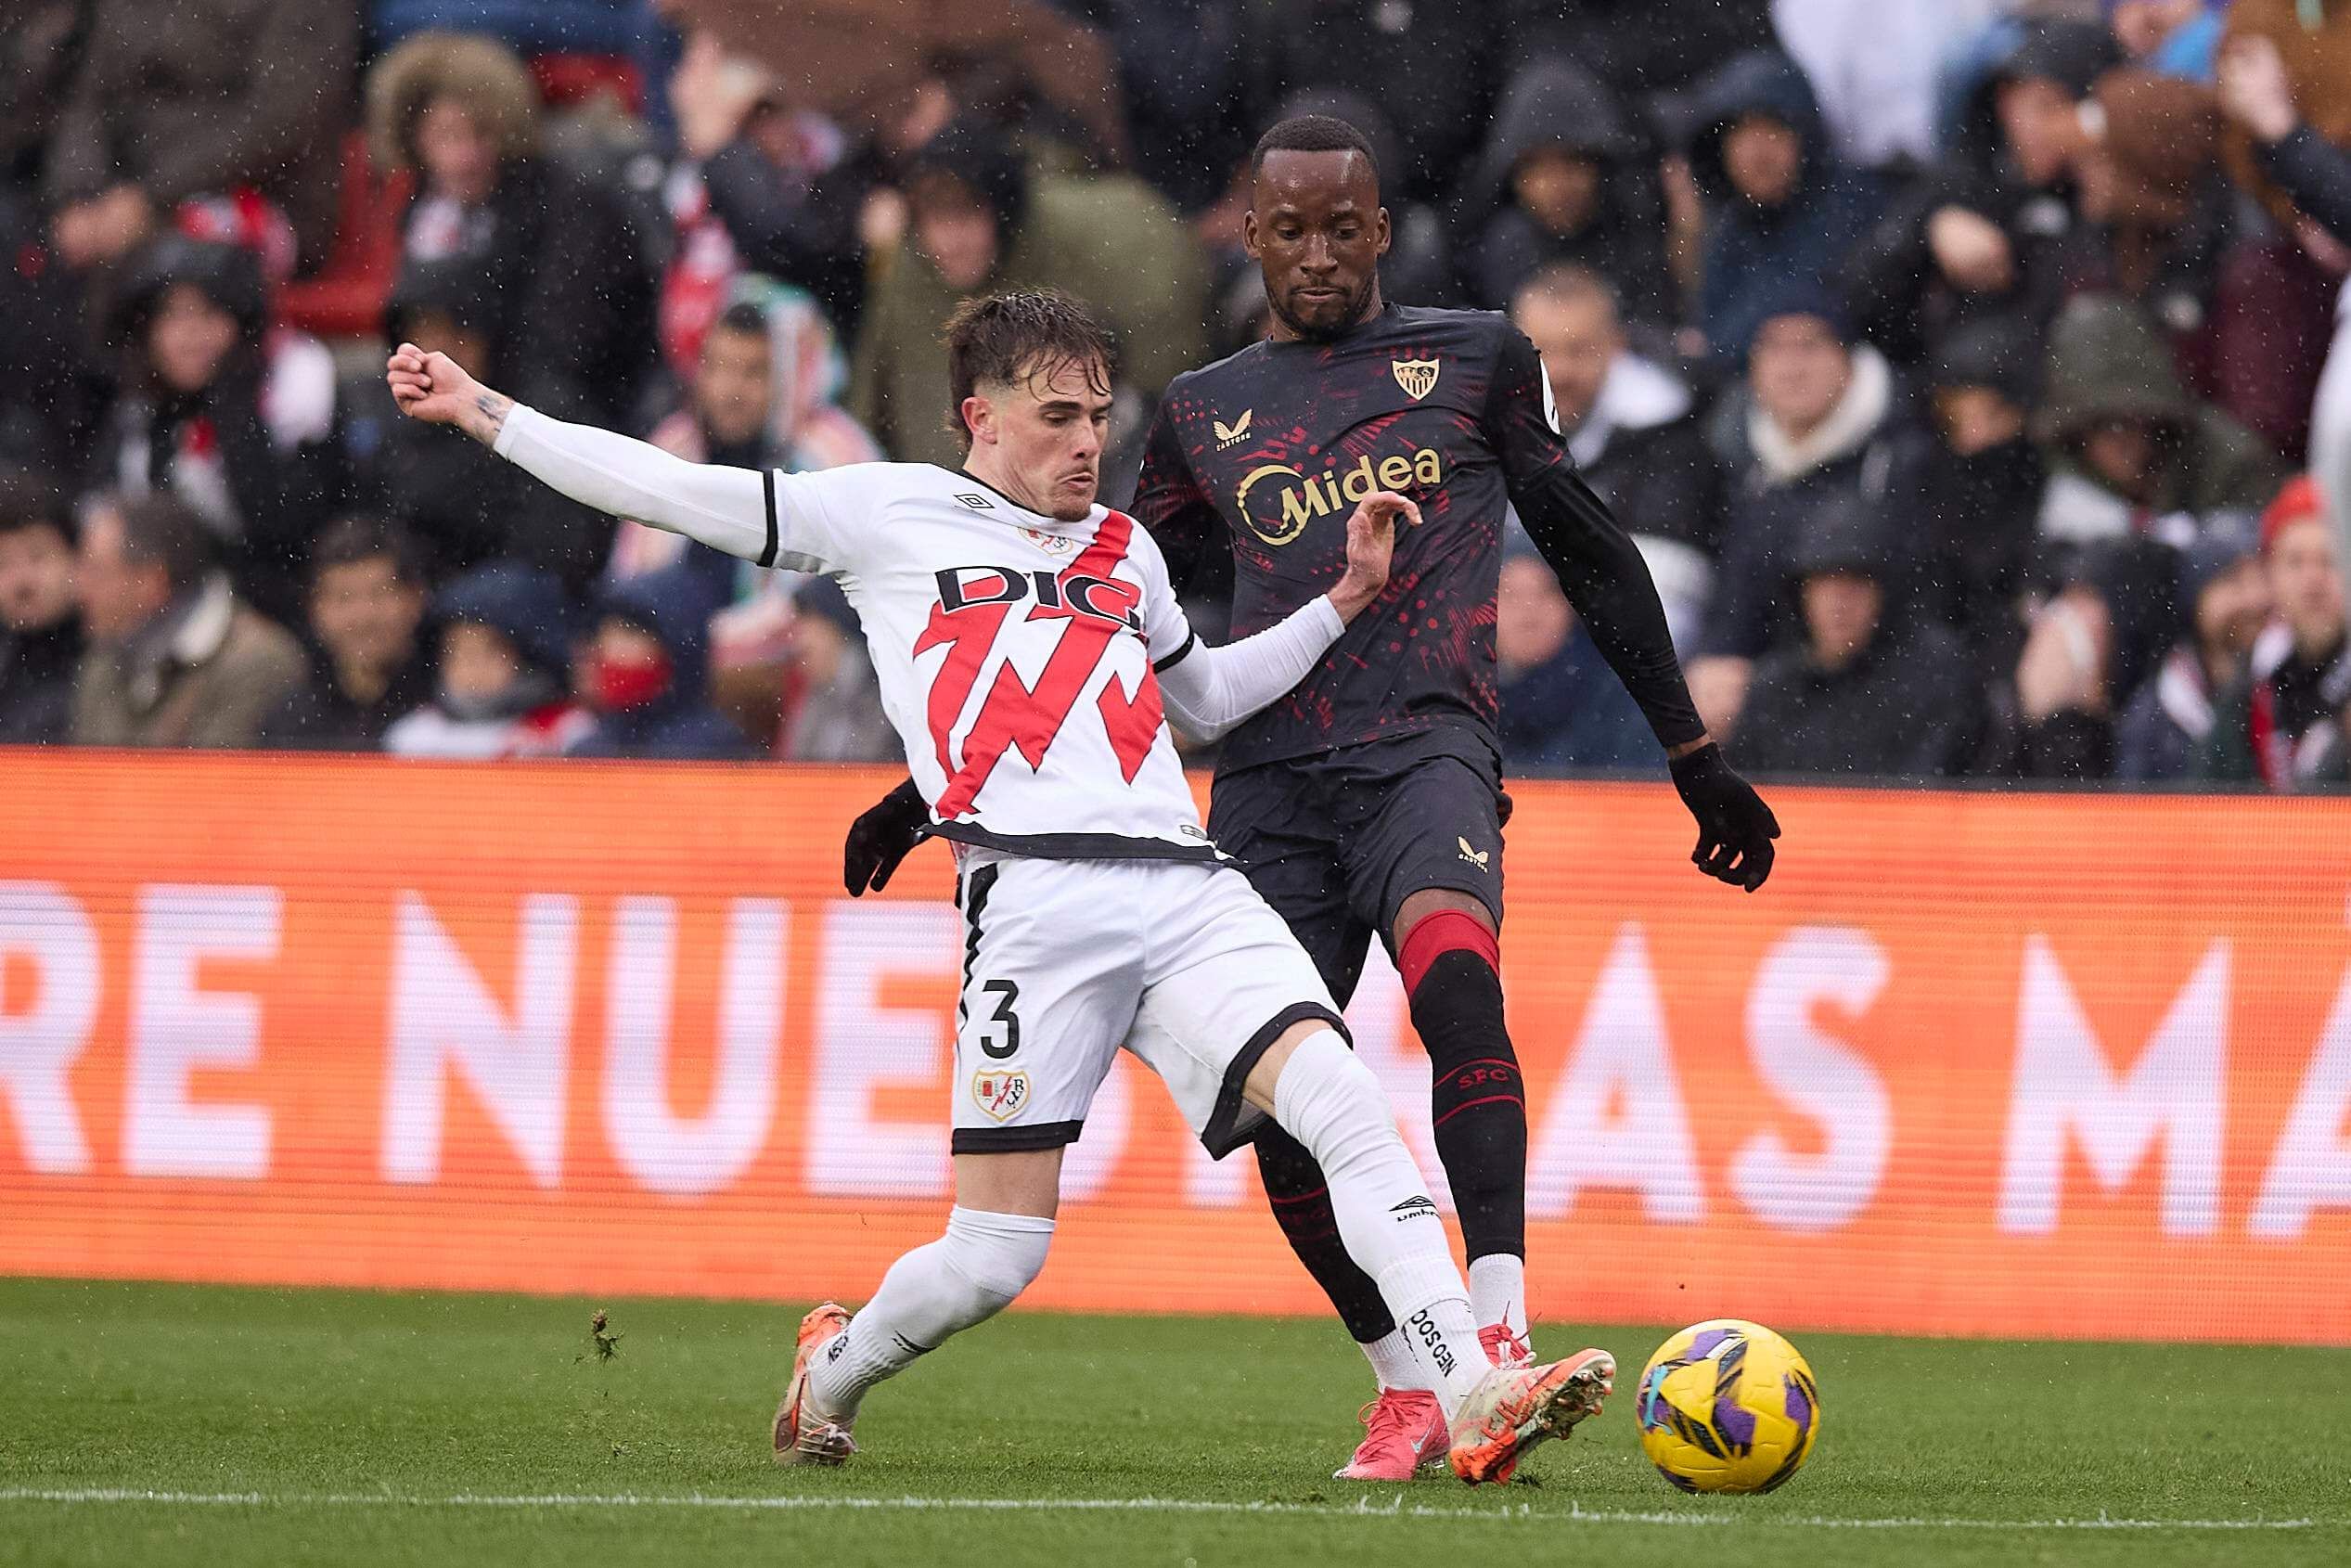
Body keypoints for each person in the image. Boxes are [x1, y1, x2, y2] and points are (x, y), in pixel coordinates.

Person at [385, 288, 1617, 1484]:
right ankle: (836, 1363)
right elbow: (671, 492)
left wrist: (1344, 599)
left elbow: (1203, 704)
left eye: (1098, 416)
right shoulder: (885, 516)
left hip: (1187, 885)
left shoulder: (1123, 550)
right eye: (1055, 416)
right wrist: (486, 408)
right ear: (977, 415)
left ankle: (1467, 1387)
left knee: (1348, 1105)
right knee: (994, 1254)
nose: (1088, 444)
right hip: (1032, 907)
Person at [845, 117, 1777, 1484]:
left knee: (1458, 984)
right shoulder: (1204, 412)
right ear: (1253, 236)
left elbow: (1583, 543)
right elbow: (1067, 629)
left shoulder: (1474, 359)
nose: (1321, 253)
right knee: (1290, 1103)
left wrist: (1689, 751)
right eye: (1292, 229)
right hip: (1267, 782)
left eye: (1346, 226)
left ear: (1382, 229)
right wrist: (923, 787)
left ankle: (1499, 1340)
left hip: (1423, 747)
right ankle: (1405, 1382)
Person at [848, 117, 1208, 469]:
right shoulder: (912, 273)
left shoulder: (1076, 243)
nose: (949, 242)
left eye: (966, 216)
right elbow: (879, 385)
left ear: (1001, 212)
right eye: (933, 221)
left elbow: (1167, 353)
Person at [365, 31, 658, 429]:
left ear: (505, 132)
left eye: (480, 135)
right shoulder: (421, 207)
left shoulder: (568, 208)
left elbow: (568, 346)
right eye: (447, 136)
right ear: (414, 139)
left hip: (560, 413)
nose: (465, 157)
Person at [1689, 280, 1934, 737]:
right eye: (1774, 350)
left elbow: (1925, 607)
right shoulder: (1742, 467)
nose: (1791, 368)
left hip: (1881, 685)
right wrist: (1718, 664)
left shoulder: (1904, 462)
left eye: (1809, 347)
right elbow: (1736, 605)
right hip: (1778, 686)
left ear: (1847, 360)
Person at [1510, 264, 1724, 650]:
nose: (1557, 371)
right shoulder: (1476, 429)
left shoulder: (1669, 440)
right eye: (1540, 350)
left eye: (1576, 350)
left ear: (1616, 346)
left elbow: (1669, 594)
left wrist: (1542, 599)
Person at [1729, 495, 1981, 778]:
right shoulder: (1773, 688)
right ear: (1801, 594)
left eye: (1856, 583)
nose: (1839, 603)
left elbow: (1926, 795)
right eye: (1824, 584)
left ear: (1884, 593)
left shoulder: (1933, 677)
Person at [1681, 49, 1878, 365]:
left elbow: (1814, 321)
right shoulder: (1730, 231)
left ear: (1806, 136)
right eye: (1740, 135)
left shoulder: (1854, 208)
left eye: (1772, 131)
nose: (1757, 153)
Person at [69, 490, 304, 749]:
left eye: (96, 571)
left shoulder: (256, 662)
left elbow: (213, 784)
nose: (79, 588)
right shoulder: (103, 663)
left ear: (150, 581)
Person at [2197, 476, 2351, 786]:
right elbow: (2207, 798)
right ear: (2271, 576)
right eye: (2295, 563)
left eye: (2329, 561)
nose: (2312, 581)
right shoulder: (2250, 684)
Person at [256, 517, 436, 751]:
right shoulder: (290, 722)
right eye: (344, 598)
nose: (363, 617)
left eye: (379, 594)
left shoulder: (452, 710)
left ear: (415, 598)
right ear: (314, 609)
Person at [2113, 515, 2271, 780]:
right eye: (2232, 580)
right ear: (2195, 599)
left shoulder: (2295, 688)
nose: (2256, 597)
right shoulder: (2156, 714)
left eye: (2264, 576)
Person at [382, 562, 592, 760]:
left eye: (490, 651)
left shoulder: (565, 732)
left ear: (528, 659)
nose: (472, 666)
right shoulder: (414, 736)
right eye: (456, 652)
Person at [567, 563, 755, 760]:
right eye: (606, 634)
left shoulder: (716, 751)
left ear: (678, 649)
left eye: (630, 633)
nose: (611, 651)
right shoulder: (590, 749)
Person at [0, 469, 81, 744]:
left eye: (38, 557)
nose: (22, 581)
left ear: (75, 559)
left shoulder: (108, 659)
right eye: (4, 563)